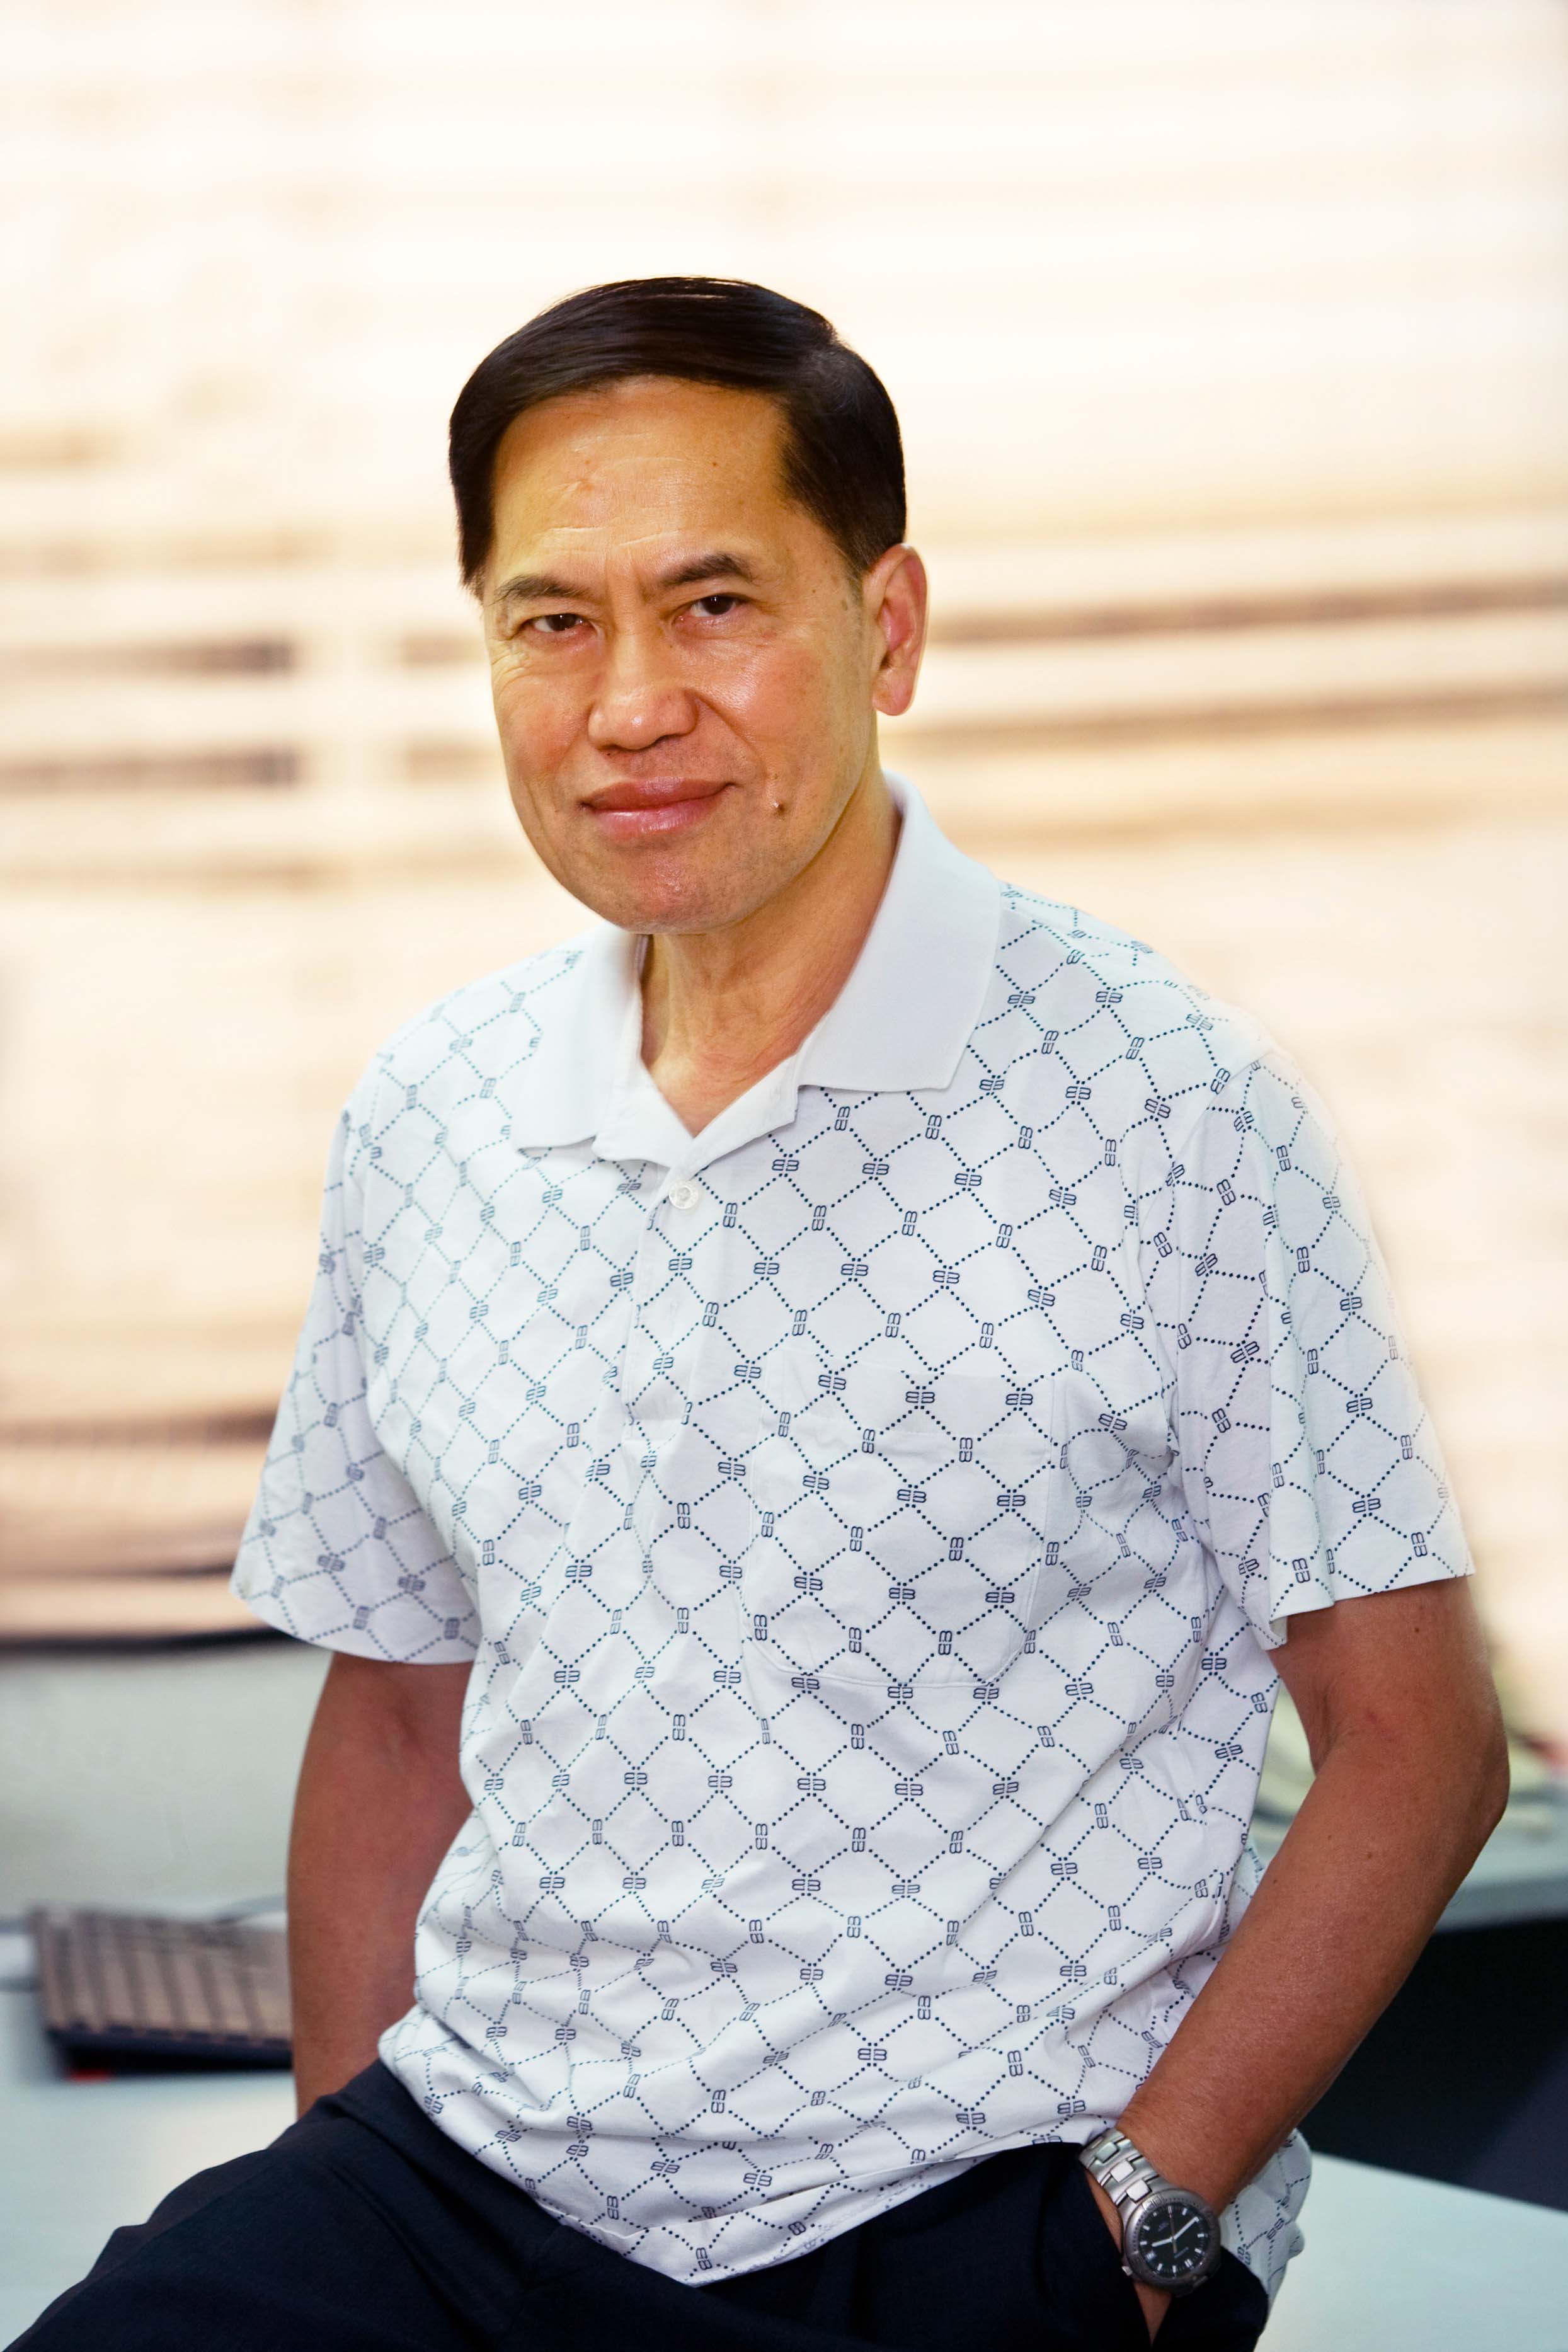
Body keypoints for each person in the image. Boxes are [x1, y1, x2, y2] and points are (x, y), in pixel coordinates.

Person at [15, 278, 1507, 2352]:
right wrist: (349, 2168)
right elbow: (396, 1712)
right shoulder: (433, 1114)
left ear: (886, 627)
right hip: (474, 2171)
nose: (628, 705)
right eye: (552, 620)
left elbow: (1412, 1741)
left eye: (711, 605)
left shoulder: (1166, 1109)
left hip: (963, 2207)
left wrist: (1142, 2228)